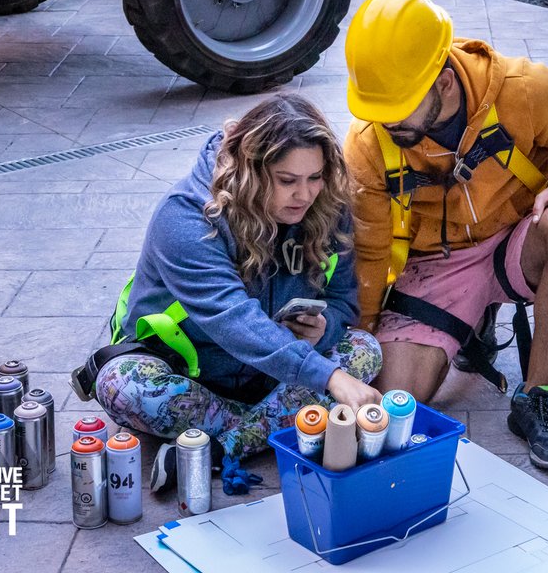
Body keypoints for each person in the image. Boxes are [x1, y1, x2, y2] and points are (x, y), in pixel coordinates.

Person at [342, 0, 548, 470]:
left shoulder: (523, 89)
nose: (381, 123)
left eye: (396, 108)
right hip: (437, 266)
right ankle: (470, 324)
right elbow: (371, 253)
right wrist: (361, 342)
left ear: (443, 83)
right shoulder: (367, 145)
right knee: (395, 405)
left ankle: (536, 395)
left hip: (515, 240)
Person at [81, 95, 382, 491]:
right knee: (122, 385)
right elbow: (233, 320)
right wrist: (329, 378)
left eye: (316, 177)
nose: (305, 195)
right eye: (287, 180)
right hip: (190, 373)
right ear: (250, 172)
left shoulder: (324, 206)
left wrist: (322, 331)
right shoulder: (186, 217)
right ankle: (280, 423)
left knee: (364, 349)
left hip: (274, 371)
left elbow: (345, 301)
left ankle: (219, 445)